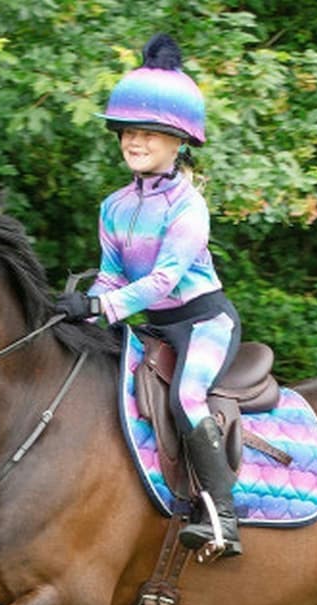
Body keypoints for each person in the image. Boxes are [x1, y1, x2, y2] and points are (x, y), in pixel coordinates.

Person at [54, 33, 243, 558]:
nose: (134, 142)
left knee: (186, 397)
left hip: (202, 323)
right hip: (151, 324)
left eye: (149, 133)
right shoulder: (113, 206)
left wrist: (101, 306)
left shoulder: (188, 207)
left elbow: (163, 281)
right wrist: (78, 314)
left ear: (179, 140)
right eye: (128, 132)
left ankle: (224, 518)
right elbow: (113, 276)